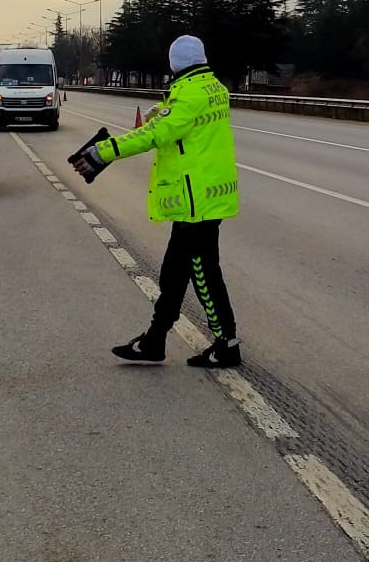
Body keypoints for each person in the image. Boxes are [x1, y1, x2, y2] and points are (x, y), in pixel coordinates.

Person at [68, 34, 241, 368]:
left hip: (197, 202)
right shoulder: (212, 88)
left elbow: (157, 134)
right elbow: (182, 121)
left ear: (174, 64)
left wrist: (104, 151)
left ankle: (226, 343)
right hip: (206, 195)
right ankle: (155, 339)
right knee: (173, 273)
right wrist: (163, 111)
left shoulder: (188, 95)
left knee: (202, 273)